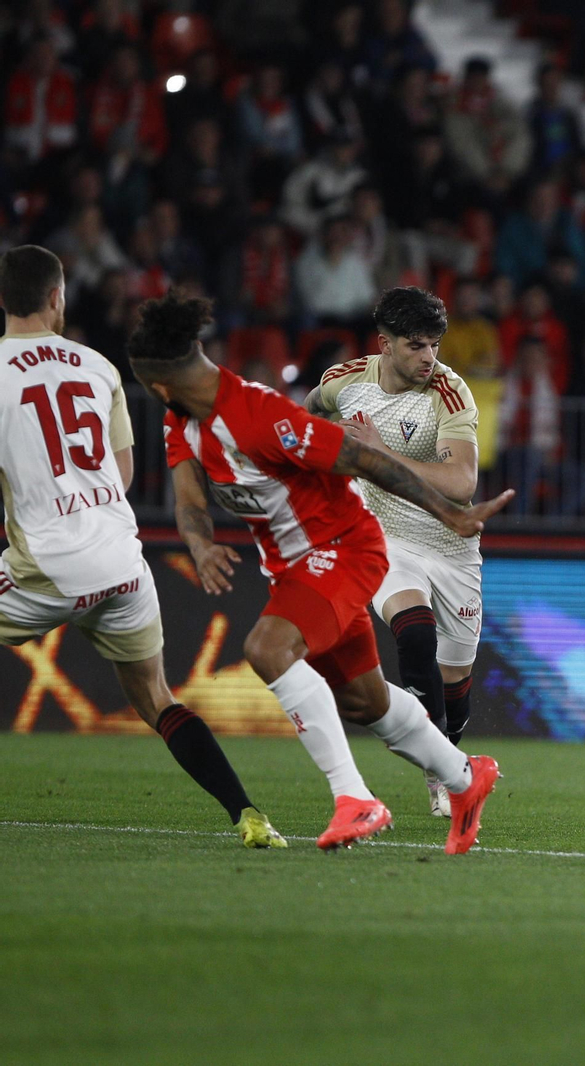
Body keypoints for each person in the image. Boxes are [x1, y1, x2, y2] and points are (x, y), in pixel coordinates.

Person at [127, 291, 511, 853]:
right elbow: (188, 500)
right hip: (296, 566)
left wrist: (452, 513)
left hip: (347, 547)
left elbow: (362, 458)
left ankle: (355, 799)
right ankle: (464, 776)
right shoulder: (183, 421)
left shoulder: (258, 416)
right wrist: (200, 545)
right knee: (367, 702)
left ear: (158, 383)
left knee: (267, 647)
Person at [0, 246, 283, 848]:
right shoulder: (99, 368)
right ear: (57, 297)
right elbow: (121, 473)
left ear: (3, 300)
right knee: (156, 698)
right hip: (123, 560)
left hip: (46, 566)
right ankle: (248, 814)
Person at [304, 287, 485, 816]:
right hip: (383, 538)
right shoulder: (342, 383)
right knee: (414, 630)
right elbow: (306, 417)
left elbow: (461, 481)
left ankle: (446, 750)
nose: (430, 358)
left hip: (450, 546)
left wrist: (381, 452)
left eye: (434, 346)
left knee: (456, 680)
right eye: (416, 347)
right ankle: (442, 774)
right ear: (384, 344)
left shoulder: (450, 394)